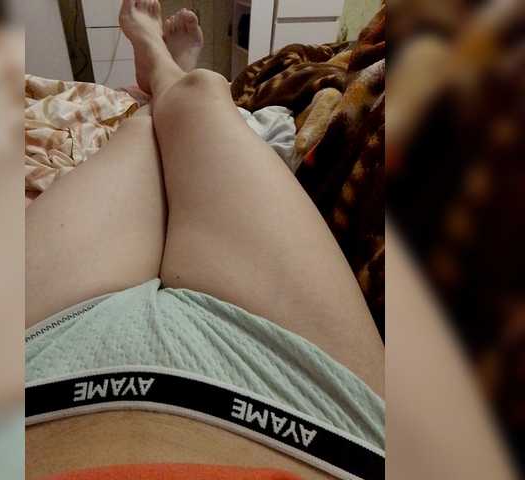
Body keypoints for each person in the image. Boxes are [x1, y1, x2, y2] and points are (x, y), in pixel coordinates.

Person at [25, 1, 384, 479]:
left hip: (24, 377)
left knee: (142, 133)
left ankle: (157, 76)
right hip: (314, 408)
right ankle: (166, 73)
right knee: (203, 97)